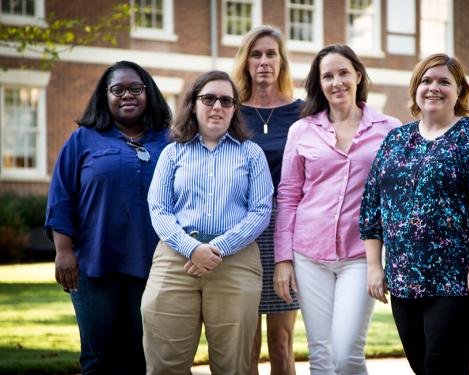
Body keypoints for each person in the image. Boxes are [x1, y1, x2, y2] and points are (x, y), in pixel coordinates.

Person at [359, 53, 469, 375]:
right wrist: (375, 266)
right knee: (422, 363)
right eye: (426, 81)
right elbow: (371, 206)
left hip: (463, 276)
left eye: (444, 81)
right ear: (415, 88)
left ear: (459, 91)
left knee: (442, 365)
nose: (434, 88)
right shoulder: (396, 140)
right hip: (406, 277)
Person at [274, 44, 401, 375]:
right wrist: (283, 259)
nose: (337, 82)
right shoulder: (301, 130)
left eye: (343, 72)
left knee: (346, 354)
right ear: (319, 84)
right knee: (320, 354)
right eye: (327, 76)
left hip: (360, 255)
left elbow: (398, 197)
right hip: (308, 253)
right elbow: (288, 195)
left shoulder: (390, 129)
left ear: (358, 75)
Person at [141, 70, 274, 375]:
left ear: (234, 109)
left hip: (235, 261)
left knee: (233, 367)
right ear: (193, 104)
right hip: (176, 260)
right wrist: (192, 248)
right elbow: (158, 209)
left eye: (226, 100)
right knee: (165, 366)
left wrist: (216, 248)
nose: (217, 106)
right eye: (209, 98)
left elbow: (260, 211)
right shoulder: (172, 153)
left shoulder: (251, 154)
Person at [45, 60, 172, 374]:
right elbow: (61, 197)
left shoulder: (169, 141)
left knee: (144, 358)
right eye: (118, 89)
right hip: (94, 264)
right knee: (98, 359)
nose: (127, 95)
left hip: (154, 264)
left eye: (135, 88)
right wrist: (63, 251)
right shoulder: (83, 139)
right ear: (106, 95)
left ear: (148, 93)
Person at [231, 25, 301, 375]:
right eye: (255, 54)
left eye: (271, 53)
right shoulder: (229, 112)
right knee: (246, 344)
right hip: (240, 228)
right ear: (245, 62)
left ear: (282, 61)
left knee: (281, 344)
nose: (263, 61)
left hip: (286, 229)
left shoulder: (304, 113)